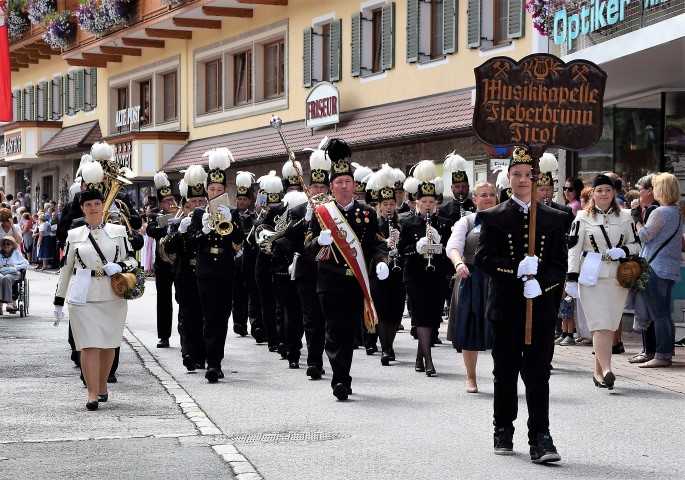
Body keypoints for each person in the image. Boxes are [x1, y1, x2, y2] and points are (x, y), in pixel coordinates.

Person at [475, 146, 568, 463]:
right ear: (509, 178)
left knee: (538, 373)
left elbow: (559, 267)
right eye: (517, 174)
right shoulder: (493, 216)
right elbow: (484, 260)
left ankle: (541, 436)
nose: (523, 179)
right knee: (505, 371)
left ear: (537, 178)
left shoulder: (555, 219)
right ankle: (503, 427)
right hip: (504, 308)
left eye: (529, 174)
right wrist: (514, 269)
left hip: (539, 308)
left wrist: (541, 284)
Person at [304, 138, 389, 400]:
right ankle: (340, 380)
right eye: (339, 182)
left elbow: (376, 244)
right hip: (330, 281)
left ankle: (344, 373)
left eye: (348, 182)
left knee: (350, 332)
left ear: (354, 186)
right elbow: (308, 248)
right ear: (331, 187)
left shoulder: (367, 214)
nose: (343, 186)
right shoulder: (321, 213)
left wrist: (382, 261)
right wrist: (320, 240)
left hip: (355, 282)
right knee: (334, 330)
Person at [53, 187, 138, 411]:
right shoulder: (74, 235)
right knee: (88, 345)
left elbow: (133, 261)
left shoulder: (118, 231)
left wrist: (119, 266)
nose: (93, 208)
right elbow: (66, 268)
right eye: (88, 205)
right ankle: (91, 393)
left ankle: (102, 386)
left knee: (109, 344)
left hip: (112, 295)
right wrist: (59, 300)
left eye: (96, 204)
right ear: (82, 208)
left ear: (103, 206)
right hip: (83, 294)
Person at [565, 174, 641, 390]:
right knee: (599, 324)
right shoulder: (581, 217)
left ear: (614, 192)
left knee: (609, 325)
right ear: (593, 194)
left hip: (618, 277)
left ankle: (598, 373)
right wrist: (571, 276)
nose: (604, 194)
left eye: (607, 190)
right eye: (599, 190)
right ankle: (607, 370)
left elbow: (636, 244)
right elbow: (574, 248)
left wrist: (623, 250)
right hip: (591, 274)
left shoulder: (626, 215)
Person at [187, 147, 244, 383]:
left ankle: (217, 360)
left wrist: (232, 222)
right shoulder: (199, 213)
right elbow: (191, 243)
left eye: (220, 189)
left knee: (222, 315)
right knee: (209, 316)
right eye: (212, 189)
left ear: (225, 190)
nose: (216, 192)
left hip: (225, 267)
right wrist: (204, 230)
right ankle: (212, 363)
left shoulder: (231, 212)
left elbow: (239, 240)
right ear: (206, 190)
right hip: (205, 268)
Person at [398, 160, 453, 377]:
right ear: (416, 203)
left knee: (432, 317)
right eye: (424, 201)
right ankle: (429, 361)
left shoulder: (443, 223)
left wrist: (439, 245)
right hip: (415, 276)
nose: (428, 205)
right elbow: (403, 251)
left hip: (436, 275)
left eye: (431, 201)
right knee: (420, 316)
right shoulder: (409, 224)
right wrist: (418, 247)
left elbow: (450, 250)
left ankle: (420, 358)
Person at [446, 182, 496, 393]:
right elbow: (453, 247)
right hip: (471, 277)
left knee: (501, 329)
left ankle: (501, 375)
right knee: (470, 328)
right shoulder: (465, 221)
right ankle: (471, 377)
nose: (488, 198)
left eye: (492, 195)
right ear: (474, 199)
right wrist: (459, 264)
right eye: (483, 195)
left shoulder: (505, 220)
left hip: (498, 279)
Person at [636, 173, 682, 368]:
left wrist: (637, 220)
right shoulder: (677, 212)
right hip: (670, 268)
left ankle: (662, 355)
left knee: (658, 314)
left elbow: (645, 236)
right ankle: (666, 351)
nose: (652, 191)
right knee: (664, 313)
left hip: (655, 268)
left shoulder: (660, 212)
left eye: (654, 187)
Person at [168, 167, 209, 372]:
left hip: (206, 275)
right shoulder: (178, 224)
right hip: (185, 276)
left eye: (201, 201)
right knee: (187, 316)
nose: (197, 205)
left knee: (204, 315)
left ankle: (201, 355)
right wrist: (180, 232)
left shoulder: (209, 222)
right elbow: (167, 249)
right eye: (193, 202)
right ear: (185, 206)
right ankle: (188, 353)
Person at [366, 165, 406, 366]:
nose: (389, 208)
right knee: (382, 312)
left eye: (392, 204)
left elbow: (408, 248)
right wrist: (385, 245)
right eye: (385, 204)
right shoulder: (374, 224)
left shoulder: (401, 224)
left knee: (395, 312)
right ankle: (385, 349)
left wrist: (399, 241)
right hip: (379, 273)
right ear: (379, 206)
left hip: (397, 274)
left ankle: (389, 345)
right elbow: (371, 246)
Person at [628, 174, 660, 364]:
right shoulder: (651, 209)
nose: (638, 193)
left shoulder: (654, 210)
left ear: (649, 191)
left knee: (648, 311)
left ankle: (650, 351)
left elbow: (644, 235)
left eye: (640, 189)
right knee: (648, 311)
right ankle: (649, 349)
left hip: (651, 265)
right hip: (650, 263)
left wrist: (635, 215)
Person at [146, 171, 178, 349]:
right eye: (166, 201)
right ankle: (163, 336)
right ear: (160, 203)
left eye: (172, 199)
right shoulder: (155, 216)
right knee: (164, 301)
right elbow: (150, 231)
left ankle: (186, 333)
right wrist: (166, 228)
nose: (170, 203)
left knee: (185, 299)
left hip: (179, 262)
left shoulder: (181, 211)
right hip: (163, 263)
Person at [0, 236, 29, 314]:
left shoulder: (16, 253)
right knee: (1, 277)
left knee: (6, 278)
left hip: (14, 274)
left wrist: (15, 267)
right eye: (4, 244)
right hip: (1, 273)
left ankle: (9, 303)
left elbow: (26, 264)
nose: (6, 245)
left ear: (12, 245)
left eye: (8, 244)